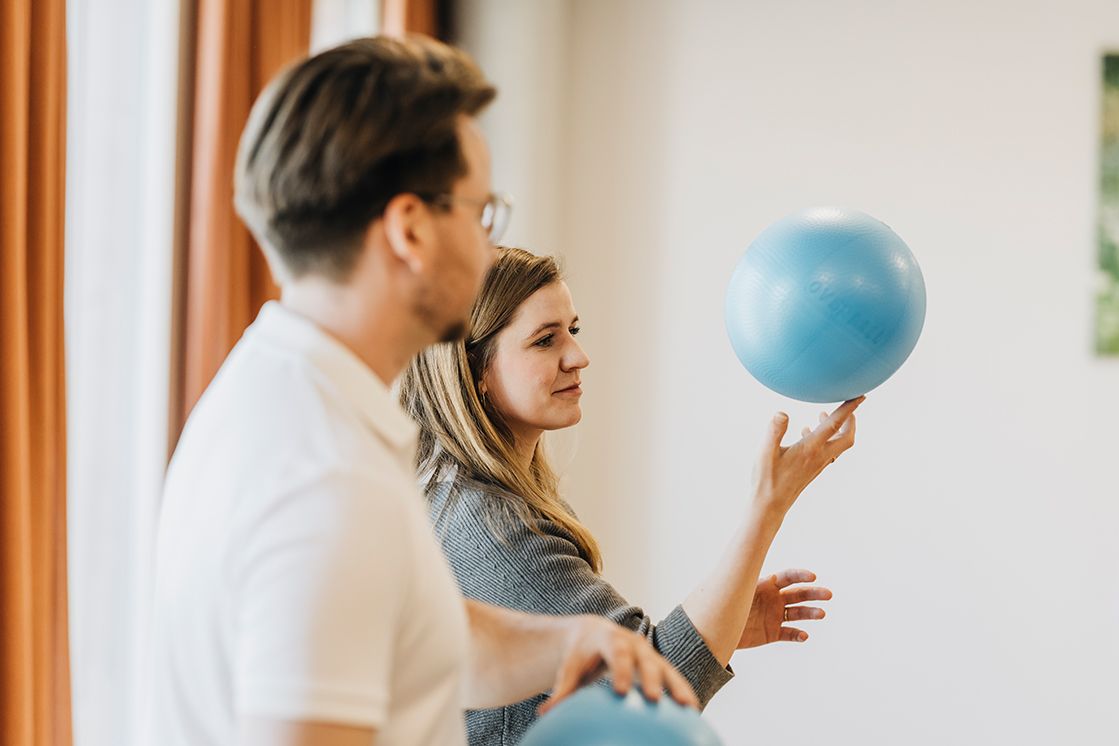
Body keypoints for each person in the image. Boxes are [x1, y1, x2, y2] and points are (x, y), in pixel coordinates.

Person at [146, 37, 696, 746]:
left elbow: (408, 631)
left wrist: (567, 641)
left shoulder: (274, 391)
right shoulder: (324, 473)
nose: (484, 246)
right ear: (410, 228)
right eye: (479, 214)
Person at [399, 247, 864, 744]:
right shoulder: (492, 527)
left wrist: (725, 626)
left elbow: (620, 662)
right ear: (476, 375)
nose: (578, 357)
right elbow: (652, 698)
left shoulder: (471, 500)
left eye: (572, 331)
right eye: (544, 340)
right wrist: (768, 505)